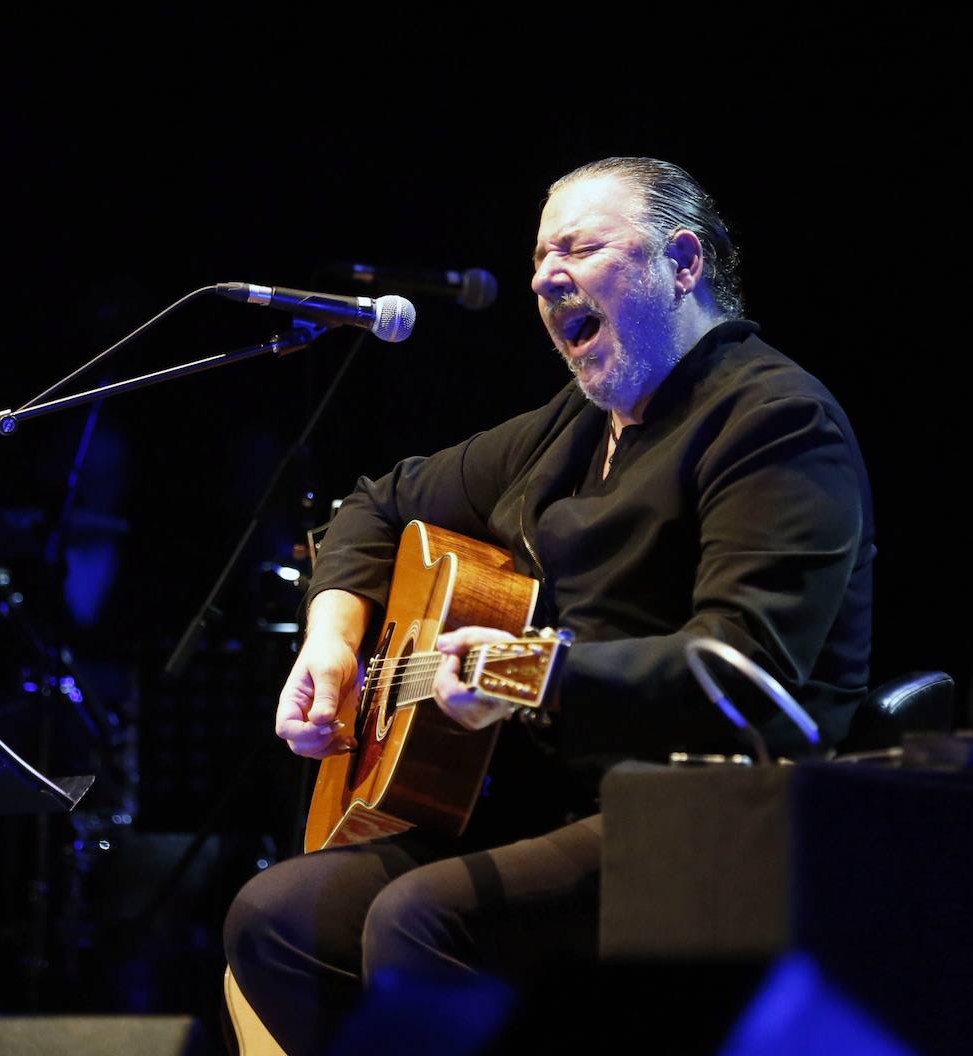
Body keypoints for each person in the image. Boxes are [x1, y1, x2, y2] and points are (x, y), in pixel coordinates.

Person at [223, 157, 874, 1054]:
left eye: (580, 246)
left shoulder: (774, 420)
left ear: (681, 263)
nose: (543, 277)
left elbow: (745, 667)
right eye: (538, 257)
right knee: (277, 915)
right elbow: (378, 504)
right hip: (548, 798)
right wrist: (332, 640)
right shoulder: (571, 423)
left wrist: (526, 670)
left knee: (421, 920)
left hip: (709, 810)